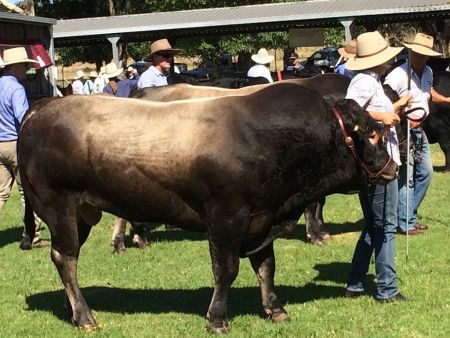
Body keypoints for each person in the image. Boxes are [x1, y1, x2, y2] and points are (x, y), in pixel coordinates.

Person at [344, 31, 412, 302]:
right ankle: (387, 289)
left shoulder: (371, 80)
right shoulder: (363, 82)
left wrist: (390, 112)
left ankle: (356, 283)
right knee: (385, 225)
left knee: (374, 225)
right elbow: (350, 113)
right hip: (379, 165)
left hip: (380, 161)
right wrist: (382, 115)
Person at [384, 32, 450, 235]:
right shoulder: (397, 75)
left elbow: (428, 93)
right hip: (404, 130)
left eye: (425, 54)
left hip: (419, 129)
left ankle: (408, 215)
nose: (421, 57)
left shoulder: (428, 72)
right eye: (418, 53)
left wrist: (447, 100)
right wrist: (399, 112)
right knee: (407, 177)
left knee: (426, 173)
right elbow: (385, 98)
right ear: (411, 52)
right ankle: (405, 222)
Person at [0, 46, 49, 249]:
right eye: (26, 65)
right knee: (27, 193)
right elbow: (22, 117)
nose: (27, 69)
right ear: (17, 66)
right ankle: (32, 236)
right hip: (15, 144)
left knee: (1, 193)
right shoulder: (16, 88)